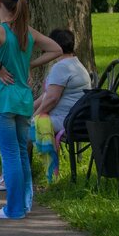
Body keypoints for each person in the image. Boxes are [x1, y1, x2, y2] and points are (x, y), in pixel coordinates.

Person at [0, 0, 62, 220]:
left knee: (10, 154)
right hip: (23, 99)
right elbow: (56, 49)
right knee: (20, 153)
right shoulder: (28, 32)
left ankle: (13, 209)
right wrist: (29, 65)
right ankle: (24, 204)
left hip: (2, 99)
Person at [33, 28, 92, 163]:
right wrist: (30, 108)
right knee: (26, 121)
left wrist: (33, 116)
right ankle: (23, 170)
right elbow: (47, 95)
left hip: (66, 120)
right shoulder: (73, 63)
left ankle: (20, 172)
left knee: (22, 130)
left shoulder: (62, 67)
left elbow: (52, 99)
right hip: (76, 117)